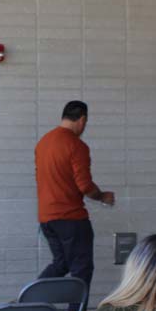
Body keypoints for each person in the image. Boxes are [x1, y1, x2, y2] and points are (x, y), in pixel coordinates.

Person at [35, 100, 114, 286]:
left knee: (61, 264)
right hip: (71, 218)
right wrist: (103, 196)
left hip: (47, 218)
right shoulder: (76, 145)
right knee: (82, 269)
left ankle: (28, 299)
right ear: (82, 119)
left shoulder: (43, 143)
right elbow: (84, 186)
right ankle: (75, 309)